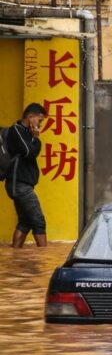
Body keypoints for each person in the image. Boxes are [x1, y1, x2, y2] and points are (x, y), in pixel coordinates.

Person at [5, 103, 47, 248]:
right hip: (19, 185)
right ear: (30, 117)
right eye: (39, 120)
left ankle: (15, 254)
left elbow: (33, 151)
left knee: (25, 222)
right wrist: (35, 138)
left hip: (22, 185)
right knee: (39, 221)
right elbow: (29, 152)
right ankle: (45, 258)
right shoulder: (16, 130)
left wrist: (34, 138)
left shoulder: (27, 133)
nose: (40, 124)